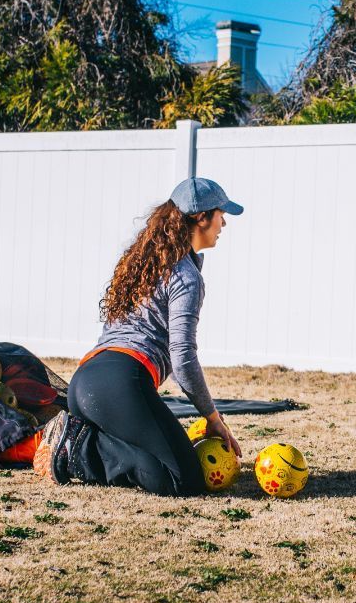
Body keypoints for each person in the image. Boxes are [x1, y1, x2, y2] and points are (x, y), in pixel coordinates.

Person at [36, 177, 244, 494]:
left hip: (86, 381)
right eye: (220, 214)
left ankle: (78, 439)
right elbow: (183, 357)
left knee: (153, 459)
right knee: (183, 479)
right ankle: (82, 450)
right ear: (201, 218)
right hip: (120, 383)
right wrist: (212, 416)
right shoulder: (185, 275)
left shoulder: (147, 263)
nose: (224, 223)